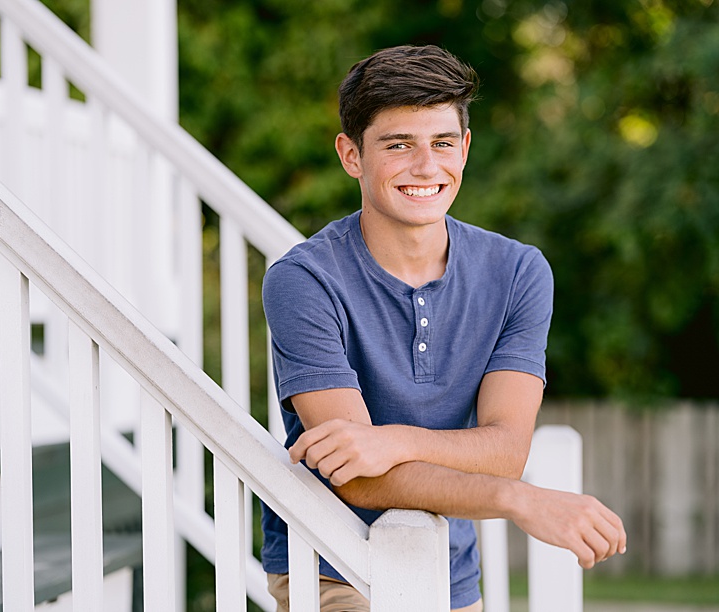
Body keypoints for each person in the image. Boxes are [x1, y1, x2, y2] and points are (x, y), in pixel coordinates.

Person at [259, 45, 626, 612]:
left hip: (447, 572)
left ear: (466, 149)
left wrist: (390, 440)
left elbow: (505, 447)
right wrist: (515, 499)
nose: (427, 167)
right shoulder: (303, 280)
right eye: (398, 144)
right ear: (351, 155)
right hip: (331, 569)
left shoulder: (518, 272)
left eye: (442, 143)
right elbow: (355, 477)